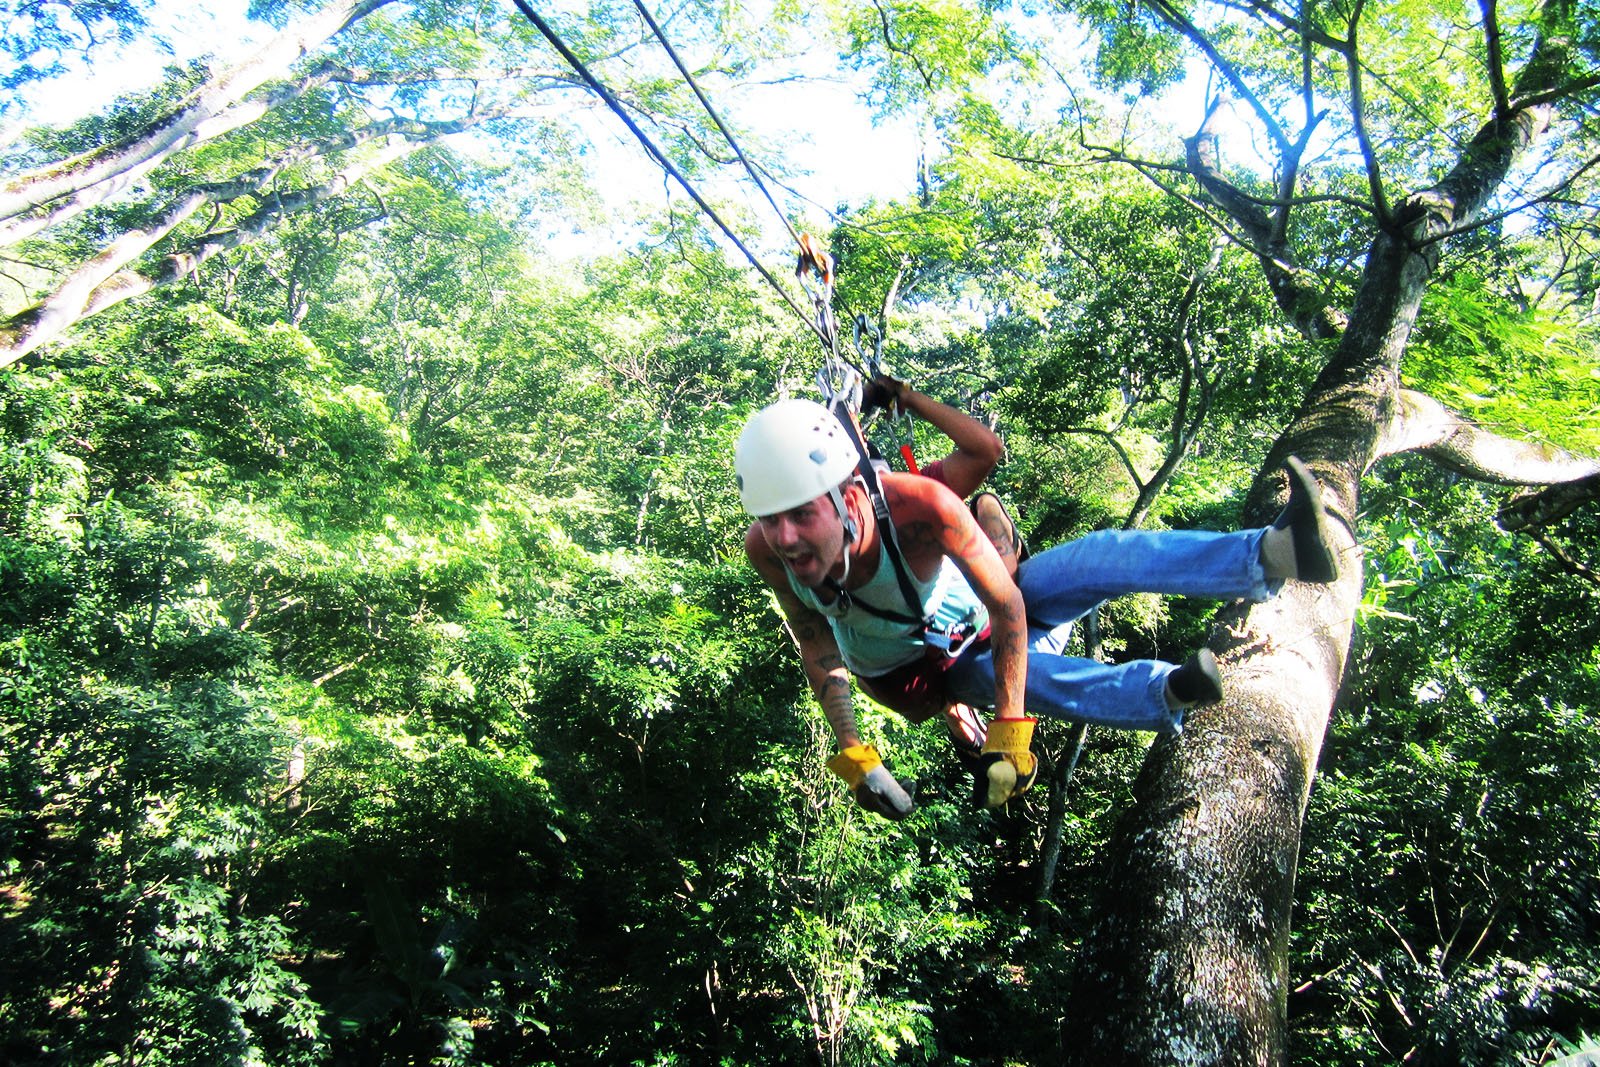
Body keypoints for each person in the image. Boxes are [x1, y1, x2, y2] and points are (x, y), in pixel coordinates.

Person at [736, 397, 1340, 818]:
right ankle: (1161, 693)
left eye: (800, 515)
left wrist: (1009, 734)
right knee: (1019, 674)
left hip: (983, 614)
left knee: (1102, 557)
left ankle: (1274, 553)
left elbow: (1007, 609)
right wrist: (855, 755)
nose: (784, 537)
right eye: (771, 518)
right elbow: (815, 641)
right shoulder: (767, 549)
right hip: (923, 672)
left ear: (848, 498)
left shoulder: (923, 508)